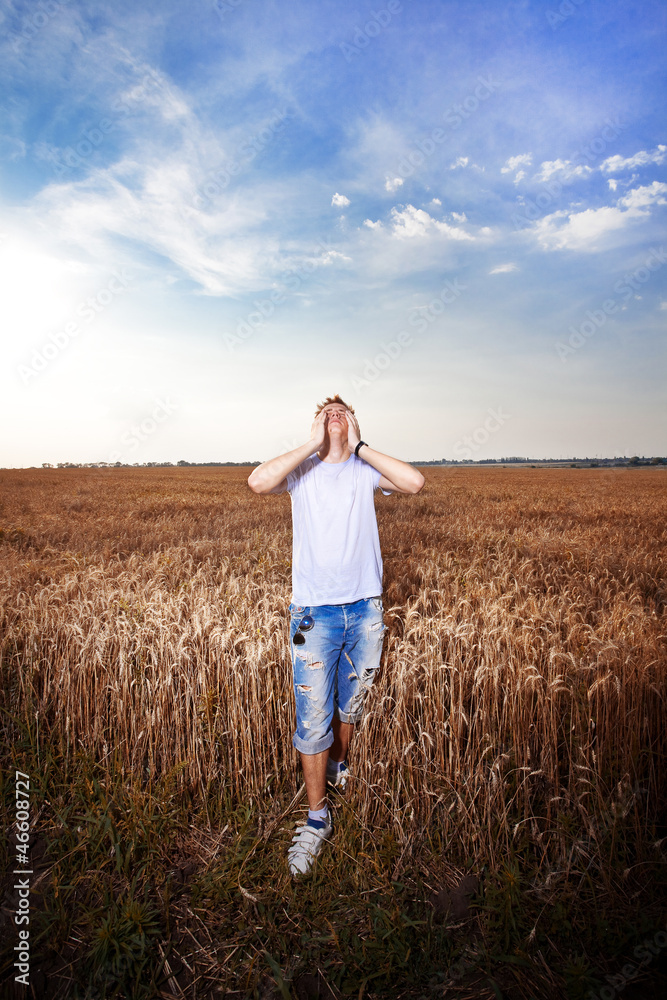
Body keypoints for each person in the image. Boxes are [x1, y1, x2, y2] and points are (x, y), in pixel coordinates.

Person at [247, 395, 425, 875]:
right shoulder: (302, 473)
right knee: (312, 719)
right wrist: (312, 442)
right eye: (325, 412)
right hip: (313, 617)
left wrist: (360, 443)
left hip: (365, 610)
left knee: (352, 703)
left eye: (341, 410)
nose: (333, 415)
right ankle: (317, 818)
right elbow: (257, 481)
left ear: (354, 423)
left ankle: (339, 766)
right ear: (314, 426)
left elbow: (414, 482)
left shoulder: (364, 472)